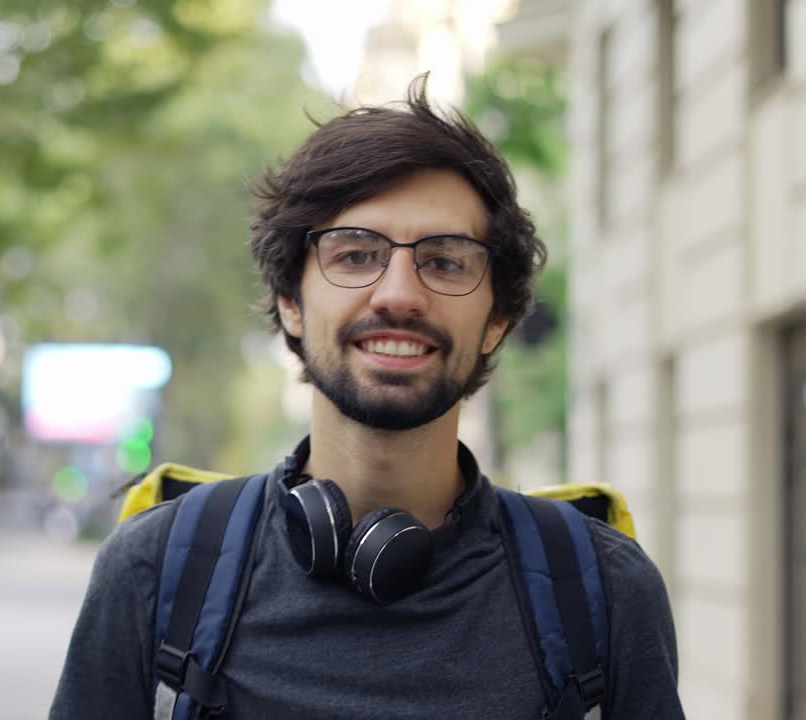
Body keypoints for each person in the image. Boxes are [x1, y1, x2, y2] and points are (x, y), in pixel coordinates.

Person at [50, 75, 683, 719]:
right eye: (355, 255)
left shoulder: (603, 590)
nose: (399, 294)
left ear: (497, 319)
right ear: (291, 302)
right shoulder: (157, 569)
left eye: (445, 261)